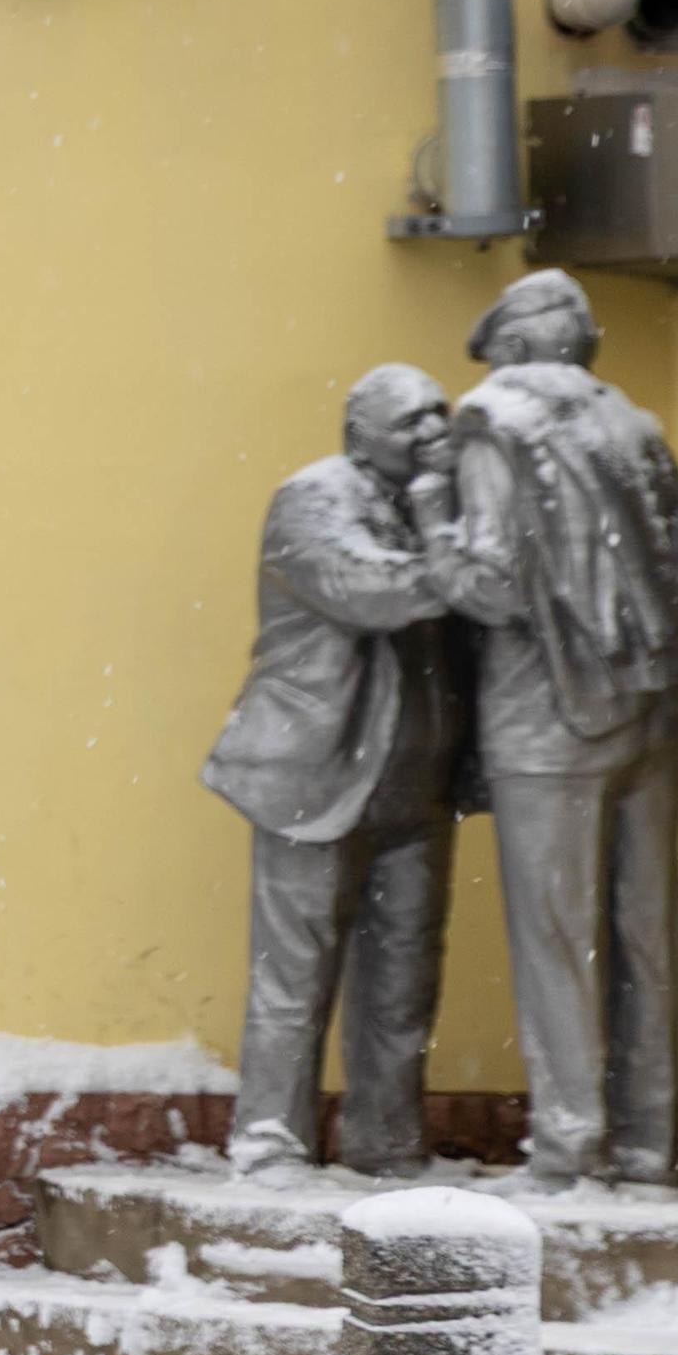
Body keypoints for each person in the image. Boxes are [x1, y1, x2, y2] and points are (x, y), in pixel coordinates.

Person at [440, 270, 678, 1187]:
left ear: (516, 347)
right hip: (653, 717)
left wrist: (432, 538)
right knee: (645, 933)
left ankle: (568, 1146)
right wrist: (668, 683)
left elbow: (494, 583)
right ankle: (645, 1142)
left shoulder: (492, 422)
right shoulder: (635, 426)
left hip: (545, 715)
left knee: (557, 935)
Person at [200, 365, 470, 1175]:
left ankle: (387, 1140)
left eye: (439, 414)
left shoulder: (437, 506)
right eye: (410, 421)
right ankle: (271, 1140)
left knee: (404, 982)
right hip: (314, 778)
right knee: (295, 975)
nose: (432, 432)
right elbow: (371, 590)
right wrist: (450, 541)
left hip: (417, 784)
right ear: (359, 434)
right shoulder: (313, 497)